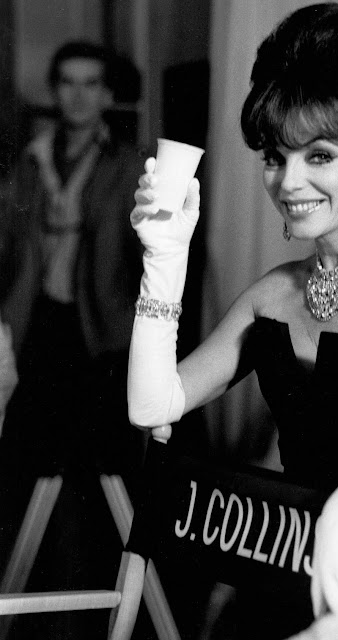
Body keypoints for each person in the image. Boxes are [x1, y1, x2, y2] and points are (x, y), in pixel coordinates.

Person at [128, 4, 338, 640]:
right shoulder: (274, 293)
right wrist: (165, 256)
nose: (289, 182)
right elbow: (153, 406)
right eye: (274, 156)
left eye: (319, 155)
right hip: (279, 569)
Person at [0, 40, 145, 639]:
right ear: (55, 91)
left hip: (102, 336)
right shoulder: (33, 161)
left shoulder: (129, 163)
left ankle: (103, 614)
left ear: (108, 95)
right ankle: (33, 612)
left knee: (100, 479)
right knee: (29, 470)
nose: (79, 95)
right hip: (41, 329)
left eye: (91, 83)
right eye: (68, 82)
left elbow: (142, 256)